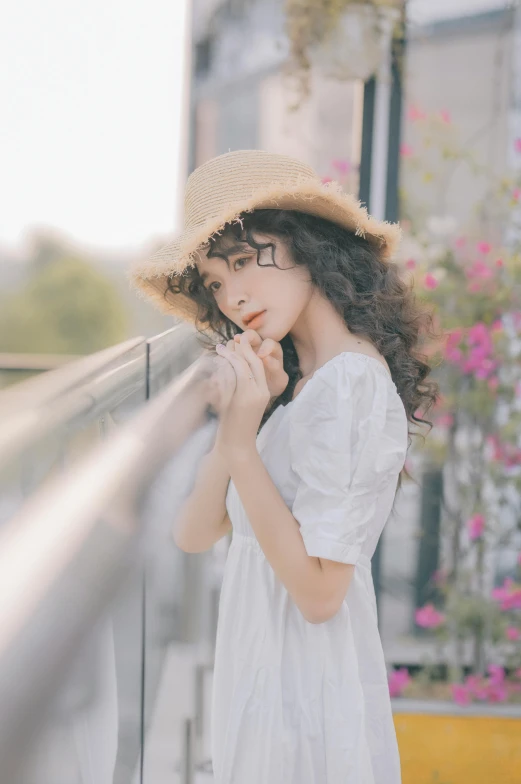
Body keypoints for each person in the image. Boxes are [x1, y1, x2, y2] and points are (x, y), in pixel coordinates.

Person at [130, 149, 439, 784]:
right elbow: (193, 533)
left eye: (244, 261)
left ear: (308, 247)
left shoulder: (350, 383)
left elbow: (322, 593)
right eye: (215, 282)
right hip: (265, 678)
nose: (233, 294)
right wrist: (248, 418)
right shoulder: (297, 387)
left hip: (304, 695)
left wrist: (243, 443)